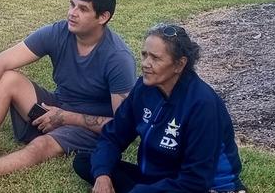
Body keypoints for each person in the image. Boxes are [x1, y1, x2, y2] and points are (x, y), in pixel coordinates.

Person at [0, 0, 136, 186]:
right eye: (72, 4)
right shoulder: (59, 32)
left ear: (103, 17)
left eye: (83, 9)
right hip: (55, 108)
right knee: (9, 79)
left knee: (42, 145)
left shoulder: (117, 58)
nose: (72, 13)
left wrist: (67, 117)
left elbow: (123, 127)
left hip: (88, 128)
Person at [73, 24, 247, 193]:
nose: (146, 64)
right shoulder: (143, 88)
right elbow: (113, 136)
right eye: (144, 55)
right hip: (155, 179)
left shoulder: (202, 104)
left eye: (155, 58)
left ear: (179, 64)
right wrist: (102, 175)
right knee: (86, 162)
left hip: (204, 186)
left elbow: (196, 180)